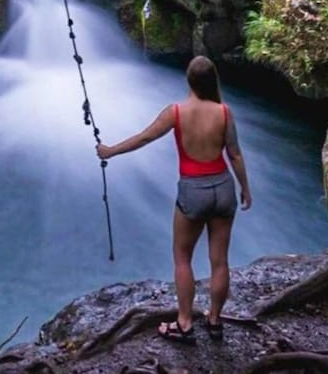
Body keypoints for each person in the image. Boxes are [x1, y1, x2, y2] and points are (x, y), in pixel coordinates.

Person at [96, 55, 252, 343]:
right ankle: (215, 321)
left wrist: (110, 151)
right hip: (223, 186)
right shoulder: (225, 112)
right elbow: (235, 154)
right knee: (220, 261)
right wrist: (245, 188)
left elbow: (144, 138)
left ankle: (184, 323)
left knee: (183, 258)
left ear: (189, 80)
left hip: (193, 191)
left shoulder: (176, 112)